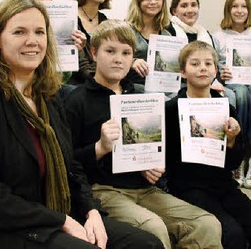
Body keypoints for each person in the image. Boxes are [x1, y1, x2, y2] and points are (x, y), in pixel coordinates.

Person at [0, 0, 162, 249]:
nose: (32, 41)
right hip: (2, 228)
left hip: (55, 214)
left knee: (145, 244)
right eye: (19, 32)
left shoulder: (49, 98)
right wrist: (61, 221)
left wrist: (91, 212)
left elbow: (72, 167)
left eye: (40, 32)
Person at [65, 19, 222, 249]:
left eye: (126, 53)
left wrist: (152, 163)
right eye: (110, 51)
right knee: (154, 228)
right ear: (94, 52)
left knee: (207, 224)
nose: (119, 59)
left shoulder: (141, 97)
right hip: (103, 190)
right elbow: (66, 163)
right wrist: (99, 148)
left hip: (144, 188)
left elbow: (152, 145)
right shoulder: (76, 100)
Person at [165, 41, 251, 249]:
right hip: (187, 187)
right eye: (195, 64)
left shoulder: (225, 107)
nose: (202, 68)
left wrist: (233, 140)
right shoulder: (171, 109)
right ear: (182, 72)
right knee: (230, 234)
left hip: (222, 184)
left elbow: (234, 163)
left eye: (208, 64)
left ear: (216, 70)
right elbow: (167, 159)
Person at [212, 0, 251, 188]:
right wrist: (221, 73)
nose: (239, 10)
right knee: (242, 94)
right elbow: (213, 65)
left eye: (243, 6)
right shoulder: (218, 36)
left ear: (249, 10)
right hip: (232, 83)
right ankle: (238, 153)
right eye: (235, 6)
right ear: (228, 9)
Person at [14, 0, 87, 98]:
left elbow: (65, 74)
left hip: (54, 84)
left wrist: (77, 50)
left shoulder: (66, 20)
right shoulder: (10, 20)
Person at [67, 0, 114, 85]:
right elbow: (80, 66)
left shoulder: (105, 22)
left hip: (101, 82)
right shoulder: (69, 17)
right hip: (75, 84)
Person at [124, 0, 171, 91]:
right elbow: (113, 58)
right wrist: (133, 61)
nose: (153, 2)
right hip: (132, 87)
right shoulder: (125, 30)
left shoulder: (167, 35)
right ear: (138, 1)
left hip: (162, 89)